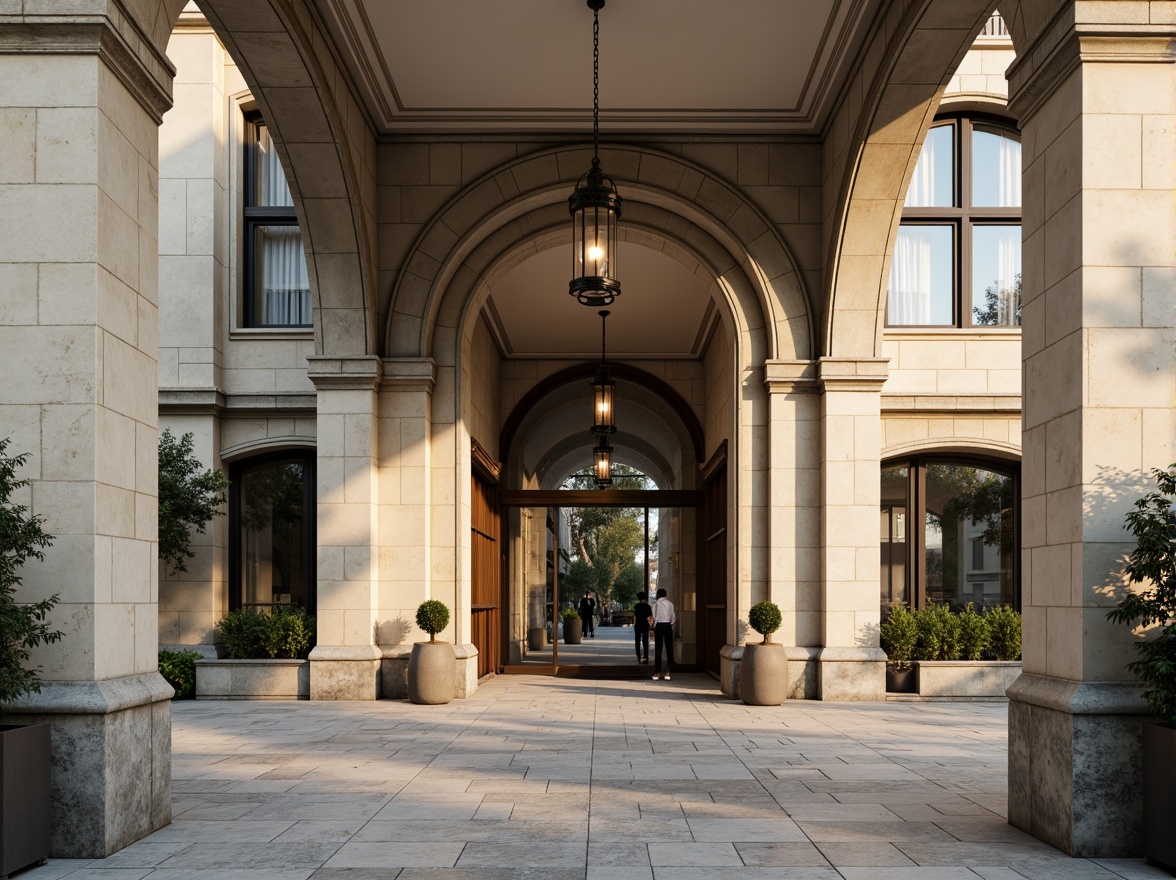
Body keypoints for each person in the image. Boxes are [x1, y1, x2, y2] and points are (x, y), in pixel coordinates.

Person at [651, 587, 676, 680]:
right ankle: (668, 672)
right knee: (669, 648)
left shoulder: (655, 605)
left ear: (658, 595)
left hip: (659, 626)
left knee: (658, 649)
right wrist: (670, 624)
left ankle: (657, 672)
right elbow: (673, 617)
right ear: (665, 595)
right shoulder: (670, 604)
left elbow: (654, 616)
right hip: (668, 626)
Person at [633, 591, 653, 664]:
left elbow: (635, 617)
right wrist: (650, 624)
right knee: (645, 641)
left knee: (637, 641)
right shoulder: (647, 606)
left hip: (638, 624)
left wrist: (634, 624)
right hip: (645, 624)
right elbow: (650, 616)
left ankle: (639, 657)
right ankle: (646, 656)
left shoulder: (637, 606)